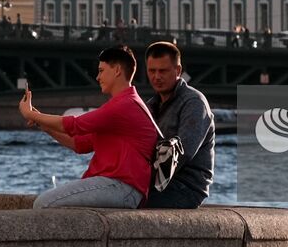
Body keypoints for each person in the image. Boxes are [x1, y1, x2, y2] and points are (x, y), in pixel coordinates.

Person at [20, 45, 156, 209]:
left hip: (122, 187)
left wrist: (30, 114)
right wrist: (41, 122)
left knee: (44, 203)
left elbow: (74, 125)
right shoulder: (124, 104)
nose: (97, 77)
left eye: (101, 70)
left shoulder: (124, 105)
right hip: (121, 188)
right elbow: (79, 144)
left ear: (117, 70)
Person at [142, 41, 215, 209]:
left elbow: (183, 152)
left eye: (163, 71)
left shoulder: (194, 102)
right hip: (159, 184)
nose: (156, 77)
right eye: (152, 71)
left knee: (129, 202)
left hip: (186, 188)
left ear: (178, 71)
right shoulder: (151, 105)